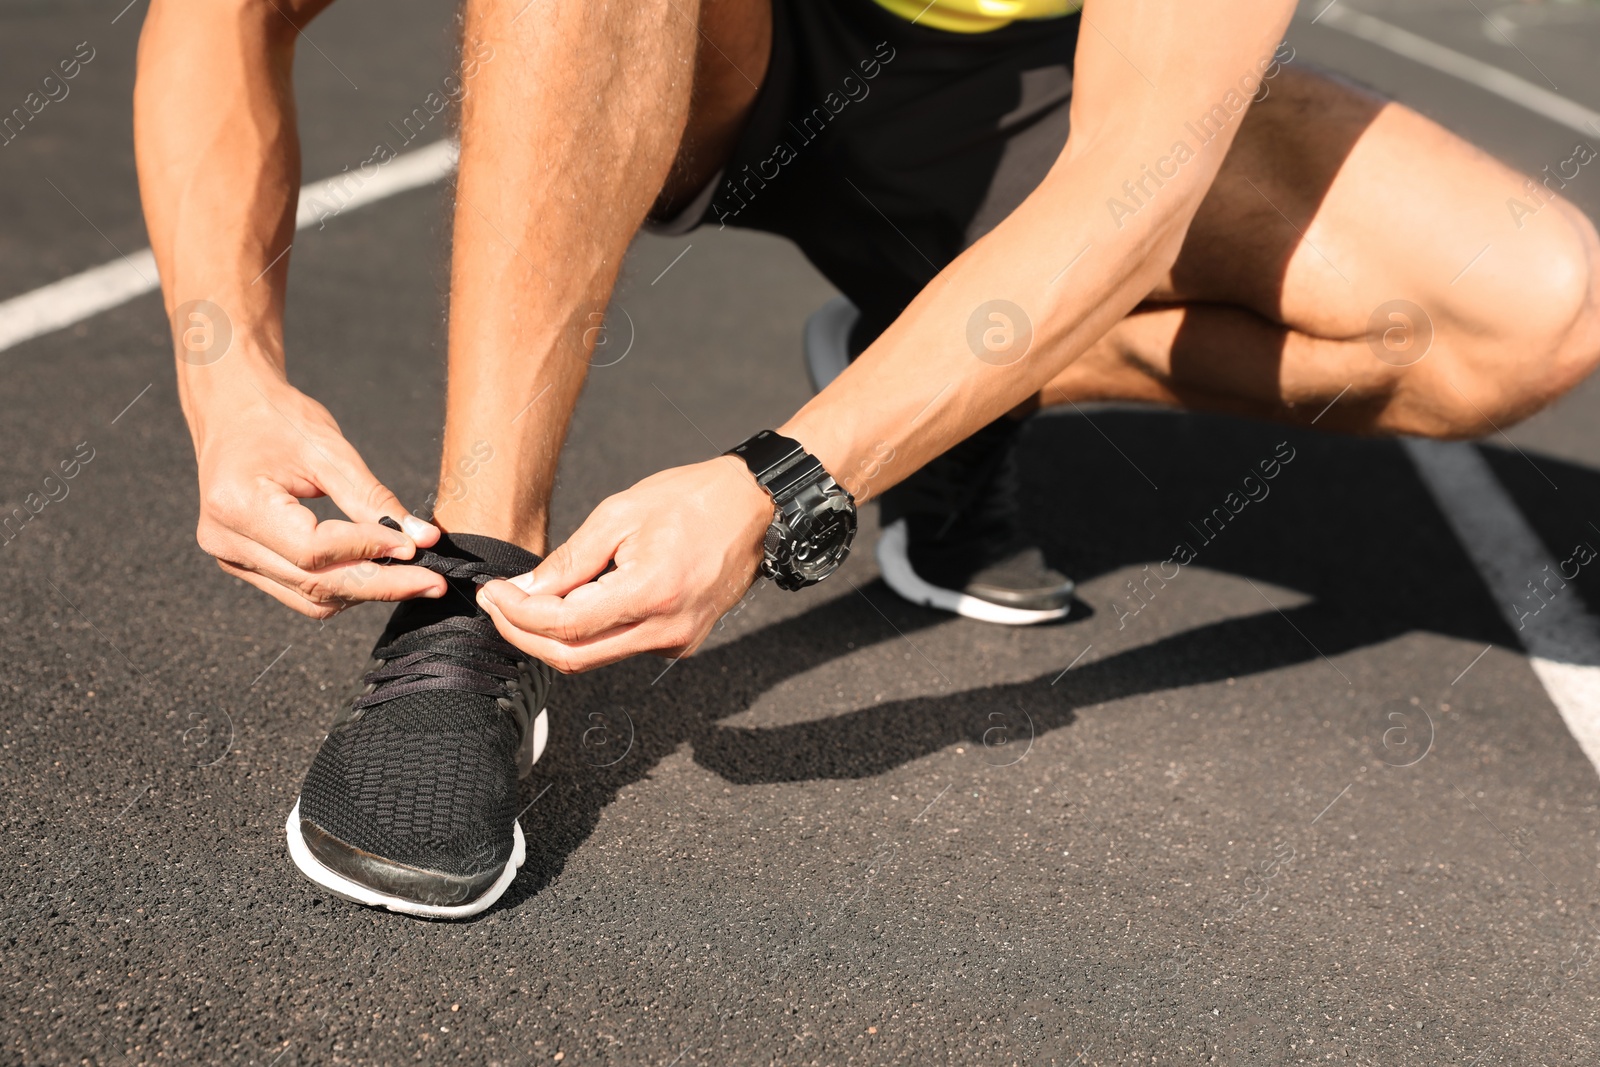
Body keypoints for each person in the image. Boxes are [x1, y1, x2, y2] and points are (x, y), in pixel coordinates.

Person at [135, 0, 1600, 916]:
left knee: (1531, 307)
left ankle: (938, 379)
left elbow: (1134, 184)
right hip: (731, 46)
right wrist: (227, 375)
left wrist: (789, 477)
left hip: (1046, 100)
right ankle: (469, 596)